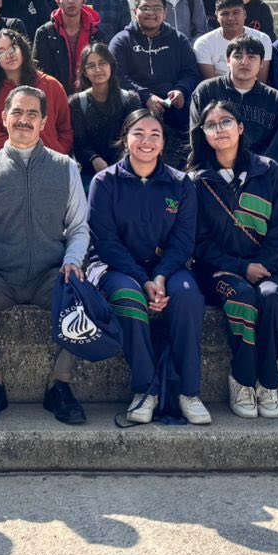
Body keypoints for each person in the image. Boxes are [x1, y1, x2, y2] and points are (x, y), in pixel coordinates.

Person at [0, 84, 91, 425]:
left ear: (44, 121)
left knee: (82, 293)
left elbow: (79, 227)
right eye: (17, 112)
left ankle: (59, 383)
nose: (24, 119)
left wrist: (72, 261)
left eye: (33, 113)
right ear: (4, 117)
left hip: (49, 274)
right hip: (0, 275)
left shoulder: (65, 167)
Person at [87, 111, 209, 425]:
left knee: (188, 296)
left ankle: (189, 392)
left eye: (155, 134)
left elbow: (183, 240)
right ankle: (146, 390)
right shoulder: (105, 182)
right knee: (129, 298)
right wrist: (144, 281)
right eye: (138, 133)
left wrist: (161, 275)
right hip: (116, 268)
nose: (147, 141)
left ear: (164, 142)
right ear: (125, 139)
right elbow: (106, 242)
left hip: (166, 268)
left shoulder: (180, 184)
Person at [189, 98, 278, 420]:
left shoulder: (268, 170)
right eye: (211, 125)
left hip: (267, 267)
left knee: (271, 297)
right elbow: (199, 243)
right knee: (243, 297)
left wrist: (261, 266)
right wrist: (240, 267)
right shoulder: (197, 181)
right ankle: (242, 379)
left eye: (226, 122)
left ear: (240, 127)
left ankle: (268, 382)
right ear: (203, 134)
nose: (219, 129)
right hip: (219, 271)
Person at [108, 0, 201, 160]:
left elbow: (190, 73)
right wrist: (146, 97)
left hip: (171, 102)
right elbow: (117, 77)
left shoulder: (179, 40)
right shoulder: (121, 40)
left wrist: (181, 90)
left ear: (165, 13)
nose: (151, 13)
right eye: (145, 8)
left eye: (157, 8)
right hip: (136, 103)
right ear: (135, 12)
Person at [188, 36, 278, 167]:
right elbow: (197, 136)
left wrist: (262, 169)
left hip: (260, 167)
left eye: (252, 57)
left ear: (261, 63)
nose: (244, 62)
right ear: (228, 61)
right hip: (213, 165)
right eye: (238, 56)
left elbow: (277, 144)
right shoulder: (206, 91)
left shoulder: (274, 98)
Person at [0, 29, 73, 156]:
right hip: (11, 161)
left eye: (13, 48)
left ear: (22, 50)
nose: (9, 55)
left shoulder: (51, 85)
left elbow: (66, 130)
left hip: (51, 160)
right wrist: (22, 154)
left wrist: (56, 154)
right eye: (1, 51)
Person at [70, 42, 142, 185]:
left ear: (111, 65)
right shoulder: (77, 102)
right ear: (84, 72)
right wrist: (93, 158)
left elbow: (132, 138)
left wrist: (116, 166)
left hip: (125, 168)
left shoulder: (130, 99)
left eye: (102, 63)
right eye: (91, 66)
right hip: (90, 171)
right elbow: (79, 142)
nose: (97, 69)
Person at [33, 0, 101, 92]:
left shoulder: (95, 32)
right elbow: (39, 73)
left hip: (89, 94)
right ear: (57, 1)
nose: (71, 1)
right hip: (53, 94)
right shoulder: (44, 33)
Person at [193, 0, 274, 81]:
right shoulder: (204, 43)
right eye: (225, 14)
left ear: (245, 14)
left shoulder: (262, 39)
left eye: (236, 12)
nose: (230, 18)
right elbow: (211, 85)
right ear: (217, 16)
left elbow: (262, 82)